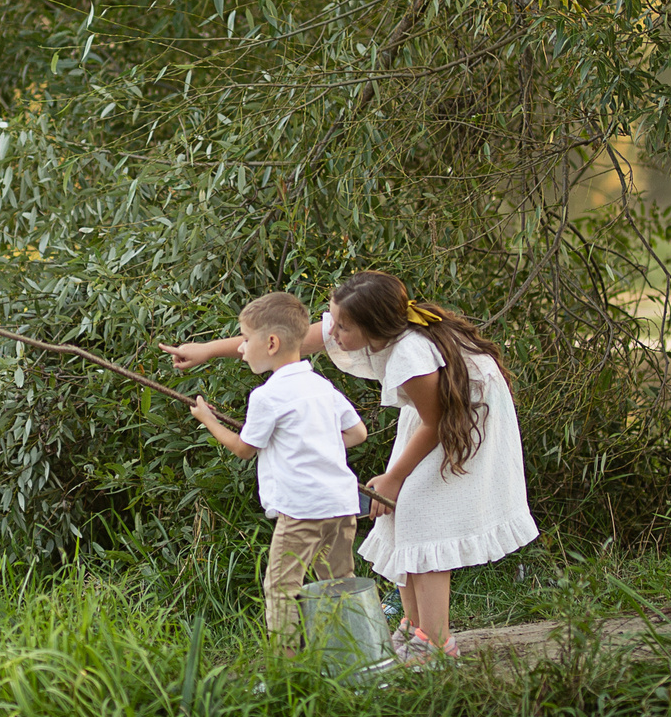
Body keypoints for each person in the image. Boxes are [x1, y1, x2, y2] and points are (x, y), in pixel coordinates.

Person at [165, 271, 536, 663]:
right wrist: (207, 349)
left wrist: (394, 478)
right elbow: (284, 338)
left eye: (341, 326)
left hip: (462, 416)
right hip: (432, 411)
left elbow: (437, 420)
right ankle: (413, 626)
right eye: (332, 319)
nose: (332, 332)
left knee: (426, 518)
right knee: (400, 517)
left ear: (371, 327)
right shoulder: (363, 326)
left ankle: (436, 641)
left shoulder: (410, 353)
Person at [184, 291, 367, 647]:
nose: (240, 348)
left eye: (245, 339)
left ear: (270, 342)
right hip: (342, 505)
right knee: (339, 581)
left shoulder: (267, 396)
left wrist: (207, 420)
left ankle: (289, 667)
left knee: (282, 587)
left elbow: (243, 449)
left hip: (302, 510)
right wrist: (315, 443)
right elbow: (357, 433)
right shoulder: (321, 386)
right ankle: (349, 653)